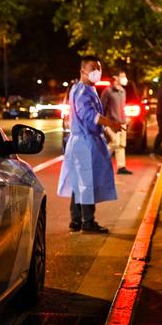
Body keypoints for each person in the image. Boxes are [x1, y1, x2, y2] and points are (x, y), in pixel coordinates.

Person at [58, 56, 120, 233]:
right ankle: (88, 221)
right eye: (93, 67)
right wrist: (111, 124)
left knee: (79, 181)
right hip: (85, 142)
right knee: (87, 181)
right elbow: (90, 115)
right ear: (82, 71)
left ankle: (76, 220)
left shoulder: (85, 89)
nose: (97, 71)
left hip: (85, 141)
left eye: (98, 67)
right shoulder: (82, 91)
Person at [100, 70, 132, 175]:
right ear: (116, 78)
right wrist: (103, 123)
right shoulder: (108, 91)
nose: (124, 79)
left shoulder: (123, 91)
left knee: (122, 145)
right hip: (111, 122)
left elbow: (122, 107)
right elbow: (102, 108)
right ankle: (101, 161)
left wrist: (125, 119)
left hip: (121, 122)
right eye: (122, 76)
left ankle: (121, 167)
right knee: (115, 142)